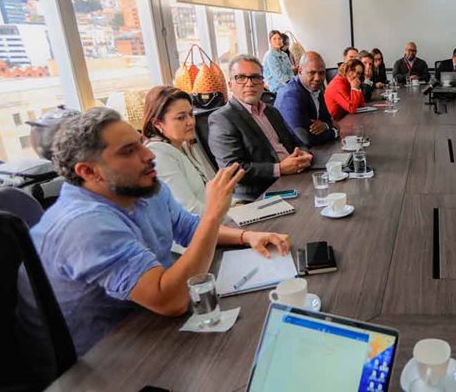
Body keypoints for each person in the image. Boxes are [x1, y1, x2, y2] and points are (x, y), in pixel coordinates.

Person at [29, 107, 292, 355]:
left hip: (151, 324)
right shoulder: (84, 225)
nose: (149, 155)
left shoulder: (140, 187)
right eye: (129, 151)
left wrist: (246, 236)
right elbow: (171, 301)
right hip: (110, 357)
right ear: (88, 171)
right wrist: (212, 213)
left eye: (140, 143)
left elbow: (188, 228)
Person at [209, 54, 313, 201]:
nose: (249, 83)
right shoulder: (222, 119)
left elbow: (297, 142)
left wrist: (304, 155)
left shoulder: (271, 111)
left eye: (255, 77)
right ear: (230, 85)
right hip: (261, 194)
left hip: (295, 178)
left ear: (262, 82)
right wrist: (280, 168)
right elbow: (232, 170)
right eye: (241, 77)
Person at [142, 86, 217, 214]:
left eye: (190, 114)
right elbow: (190, 210)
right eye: (181, 118)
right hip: (200, 229)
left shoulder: (185, 144)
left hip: (218, 220)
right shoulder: (158, 156)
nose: (191, 122)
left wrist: (237, 204)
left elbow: (213, 191)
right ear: (157, 124)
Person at [274, 51, 338, 147]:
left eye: (321, 73)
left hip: (315, 149)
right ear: (300, 71)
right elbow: (305, 139)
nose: (317, 78)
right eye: (312, 73)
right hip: (294, 154)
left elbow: (328, 119)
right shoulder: (290, 96)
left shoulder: (316, 87)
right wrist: (334, 132)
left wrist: (325, 125)